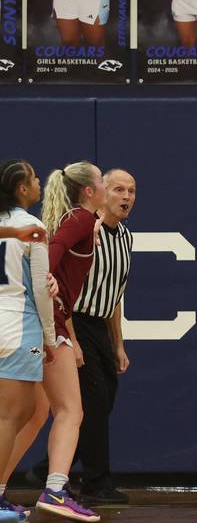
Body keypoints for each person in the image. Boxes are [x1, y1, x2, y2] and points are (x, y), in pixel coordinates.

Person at [2, 162, 106, 522]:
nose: (112, 187)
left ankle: (0, 493)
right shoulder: (77, 219)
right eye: (105, 181)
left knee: (36, 415)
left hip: (48, 324)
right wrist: (50, 287)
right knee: (70, 411)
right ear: (90, 190)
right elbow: (54, 255)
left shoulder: (80, 221)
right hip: (44, 326)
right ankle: (56, 490)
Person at [27, 170, 136, 504]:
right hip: (75, 322)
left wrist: (118, 344)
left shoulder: (126, 237)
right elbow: (63, 281)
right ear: (98, 190)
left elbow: (116, 296)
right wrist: (70, 338)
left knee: (98, 404)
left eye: (132, 191)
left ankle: (48, 468)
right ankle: (94, 482)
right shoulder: (85, 226)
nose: (126, 197)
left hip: (100, 326)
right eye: (117, 189)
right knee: (88, 404)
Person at [0, 159, 56, 523]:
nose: (39, 183)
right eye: (35, 179)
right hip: (19, 326)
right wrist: (51, 336)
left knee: (37, 410)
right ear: (22, 189)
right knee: (10, 416)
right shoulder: (32, 226)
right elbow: (40, 287)